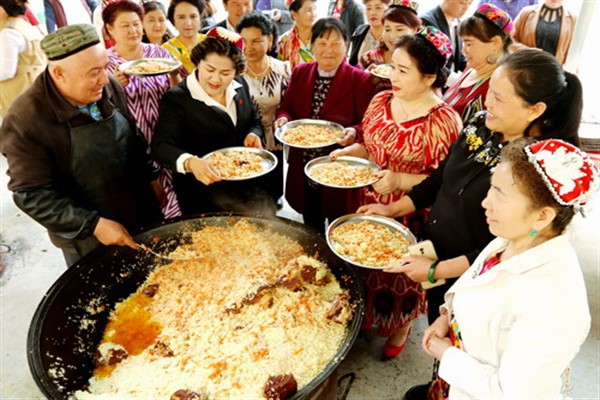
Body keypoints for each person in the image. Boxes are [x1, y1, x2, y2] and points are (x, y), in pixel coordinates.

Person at [357, 49, 583, 400]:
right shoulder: (482, 123)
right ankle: (440, 386)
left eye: (498, 97)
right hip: (441, 256)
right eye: (488, 90)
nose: (486, 101)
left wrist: (437, 271)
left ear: (535, 110)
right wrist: (393, 209)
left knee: (468, 344)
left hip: (460, 265)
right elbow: (442, 180)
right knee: (443, 323)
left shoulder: (537, 171)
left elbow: (500, 244)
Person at [424, 138, 597, 399]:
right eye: (492, 188)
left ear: (543, 215)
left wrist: (445, 353)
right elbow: (473, 283)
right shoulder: (509, 238)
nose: (486, 202)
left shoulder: (556, 305)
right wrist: (446, 316)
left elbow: (510, 393)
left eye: (501, 196)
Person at [331, 26, 462, 360]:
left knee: (403, 277)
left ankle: (401, 325)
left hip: (415, 214)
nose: (393, 76)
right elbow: (372, 146)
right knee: (363, 264)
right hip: (370, 200)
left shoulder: (444, 121)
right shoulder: (380, 101)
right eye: (392, 66)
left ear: (430, 76)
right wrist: (351, 152)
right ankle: (365, 316)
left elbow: (445, 182)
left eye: (403, 71)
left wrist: (400, 180)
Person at [0, 24, 163, 266]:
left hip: (138, 209)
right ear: (59, 74)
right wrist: (93, 225)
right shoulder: (25, 120)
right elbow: (31, 195)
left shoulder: (108, 86)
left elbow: (133, 135)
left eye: (104, 67)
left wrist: (152, 177)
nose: (103, 79)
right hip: (88, 237)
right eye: (93, 72)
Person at [152, 28, 275, 216]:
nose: (216, 79)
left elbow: (254, 120)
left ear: (236, 71)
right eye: (209, 69)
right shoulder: (177, 98)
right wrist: (191, 163)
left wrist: (253, 134)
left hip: (245, 186)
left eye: (225, 72)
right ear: (197, 63)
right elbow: (161, 146)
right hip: (201, 193)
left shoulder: (240, 85)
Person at [274, 18, 376, 230]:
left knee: (340, 224)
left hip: (339, 165)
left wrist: (353, 131)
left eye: (336, 44)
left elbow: (368, 122)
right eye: (321, 43)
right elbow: (287, 107)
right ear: (312, 46)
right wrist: (283, 119)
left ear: (346, 45)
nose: (328, 50)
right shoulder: (301, 72)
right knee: (310, 222)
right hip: (302, 163)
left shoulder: (360, 79)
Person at [104, 1, 182, 219]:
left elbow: (179, 94)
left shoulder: (159, 53)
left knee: (177, 195)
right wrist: (113, 88)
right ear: (110, 29)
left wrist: (175, 75)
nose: (133, 30)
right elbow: (98, 108)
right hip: (132, 144)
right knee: (145, 200)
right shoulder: (105, 63)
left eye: (137, 24)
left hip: (167, 135)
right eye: (125, 25)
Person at [237, 12, 292, 204]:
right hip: (245, 144)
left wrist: (284, 119)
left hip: (274, 143)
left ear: (270, 41)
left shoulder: (283, 69)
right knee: (246, 198)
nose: (248, 47)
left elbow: (289, 105)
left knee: (272, 195)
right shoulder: (234, 74)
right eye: (244, 41)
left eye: (256, 41)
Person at [443, 2, 513, 122]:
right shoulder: (471, 68)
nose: (463, 50)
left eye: (469, 43)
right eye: (463, 43)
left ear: (495, 42)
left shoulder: (499, 85)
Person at [1, 0, 46, 118]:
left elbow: (6, 71)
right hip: (36, 87)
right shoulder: (21, 24)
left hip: (20, 93)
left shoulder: (8, 33)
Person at [358, 0, 420, 69]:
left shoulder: (422, 62)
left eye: (399, 29)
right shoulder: (369, 58)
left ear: (414, 30)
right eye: (387, 29)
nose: (392, 36)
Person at [420, 0, 472, 81]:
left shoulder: (458, 23)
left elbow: (460, 58)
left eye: (470, 3)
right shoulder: (428, 21)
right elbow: (429, 61)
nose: (466, 8)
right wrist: (454, 80)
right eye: (462, 3)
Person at [513, 0, 576, 65]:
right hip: (525, 67)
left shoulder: (573, 19)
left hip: (553, 71)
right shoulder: (526, 13)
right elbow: (509, 39)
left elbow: (574, 51)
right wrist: (527, 51)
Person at [163, 0, 207, 77]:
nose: (188, 23)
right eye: (181, 17)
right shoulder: (165, 51)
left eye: (193, 16)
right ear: (173, 20)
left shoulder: (211, 43)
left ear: (200, 17)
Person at [348, 0, 389, 66]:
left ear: (389, 9)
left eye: (378, 8)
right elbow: (352, 64)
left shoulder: (392, 37)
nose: (372, 13)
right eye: (368, 8)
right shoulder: (359, 32)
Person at [277, 0, 316, 69]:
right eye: (308, 10)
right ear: (294, 15)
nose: (313, 14)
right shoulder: (283, 42)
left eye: (314, 9)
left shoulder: (322, 37)